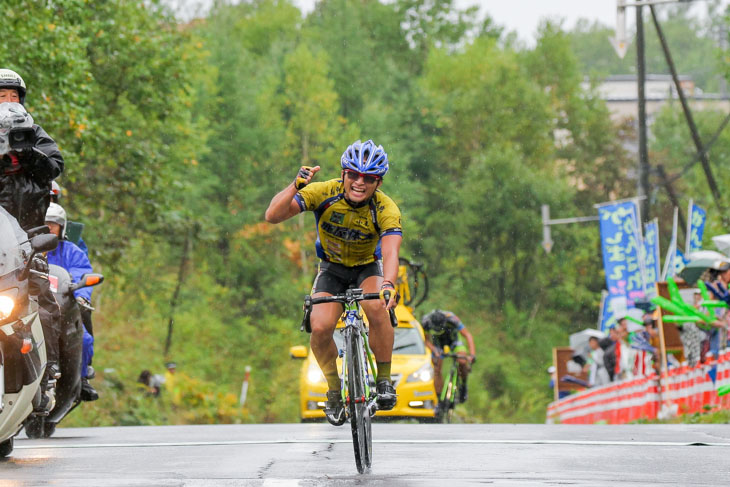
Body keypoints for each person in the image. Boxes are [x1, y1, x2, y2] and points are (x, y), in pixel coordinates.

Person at [264, 139, 401, 426]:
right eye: (353, 175)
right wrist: (295, 185)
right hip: (332, 268)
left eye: (369, 178)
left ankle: (385, 379)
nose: (360, 183)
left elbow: (390, 251)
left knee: (377, 308)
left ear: (379, 182)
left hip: (367, 268)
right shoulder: (323, 192)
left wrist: (388, 283)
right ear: (343, 174)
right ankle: (334, 389)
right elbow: (273, 216)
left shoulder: (385, 208)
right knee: (321, 326)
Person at [0, 69, 64, 413]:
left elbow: (55, 166)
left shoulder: (34, 133)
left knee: (42, 295)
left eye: (13, 96)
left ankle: (49, 371)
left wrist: (27, 155)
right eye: (1, 96)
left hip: (26, 237)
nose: (8, 102)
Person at [45, 203, 98, 401]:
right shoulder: (27, 248)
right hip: (32, 311)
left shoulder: (71, 251)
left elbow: (82, 274)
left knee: (84, 340)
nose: (49, 228)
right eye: (45, 224)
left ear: (62, 227)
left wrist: (82, 294)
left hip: (65, 310)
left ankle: (82, 379)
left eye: (53, 224)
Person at [420, 310, 476, 403]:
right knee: (437, 368)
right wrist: (434, 350)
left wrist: (472, 354)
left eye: (440, 328)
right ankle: (439, 400)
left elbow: (467, 335)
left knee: (462, 361)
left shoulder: (452, 319)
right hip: (437, 342)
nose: (439, 330)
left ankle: (463, 385)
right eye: (436, 329)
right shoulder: (426, 322)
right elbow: (425, 340)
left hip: (453, 339)